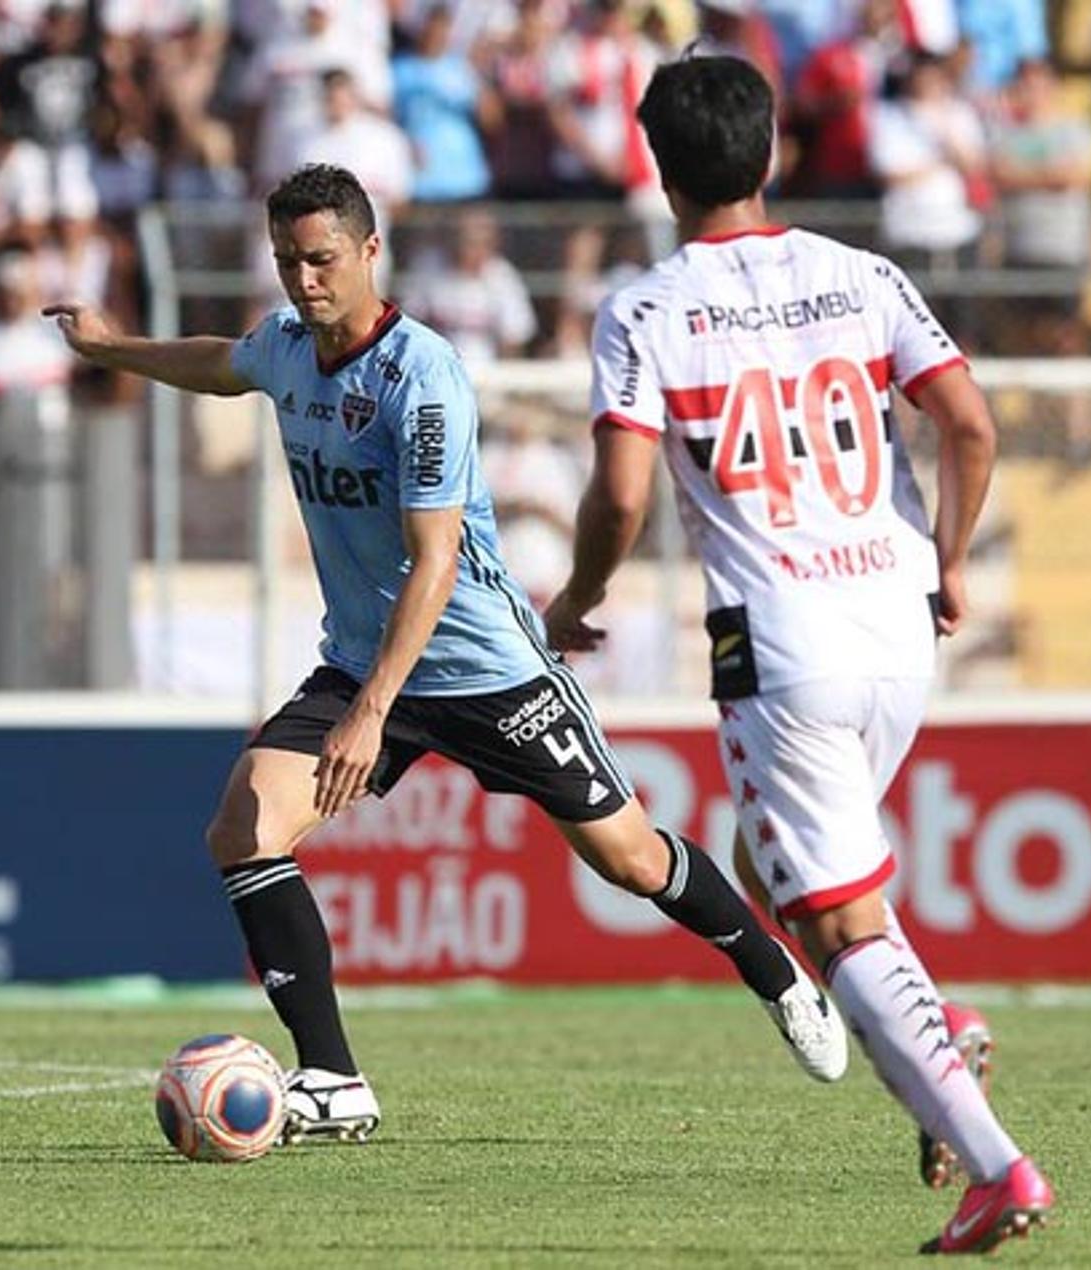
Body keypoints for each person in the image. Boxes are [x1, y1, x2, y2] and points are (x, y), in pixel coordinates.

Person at [47, 163, 846, 1143]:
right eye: (288, 262)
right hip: (362, 660)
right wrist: (110, 345)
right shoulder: (287, 352)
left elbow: (433, 561)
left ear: (370, 251)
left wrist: (370, 709)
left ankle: (776, 974)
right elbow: (224, 361)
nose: (304, 281)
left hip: (484, 668)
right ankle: (334, 1078)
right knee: (244, 826)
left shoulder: (420, 377)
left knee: (629, 858)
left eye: (322, 260)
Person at [543, 58, 1053, 1254]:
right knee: (774, 865)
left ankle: (998, 1167)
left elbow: (621, 494)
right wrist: (953, 559)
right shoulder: (861, 273)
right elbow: (969, 423)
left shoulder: (648, 307)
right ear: (769, 153)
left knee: (831, 919)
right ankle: (940, 1023)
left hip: (780, 642)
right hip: (895, 620)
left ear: (658, 168)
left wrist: (578, 597)